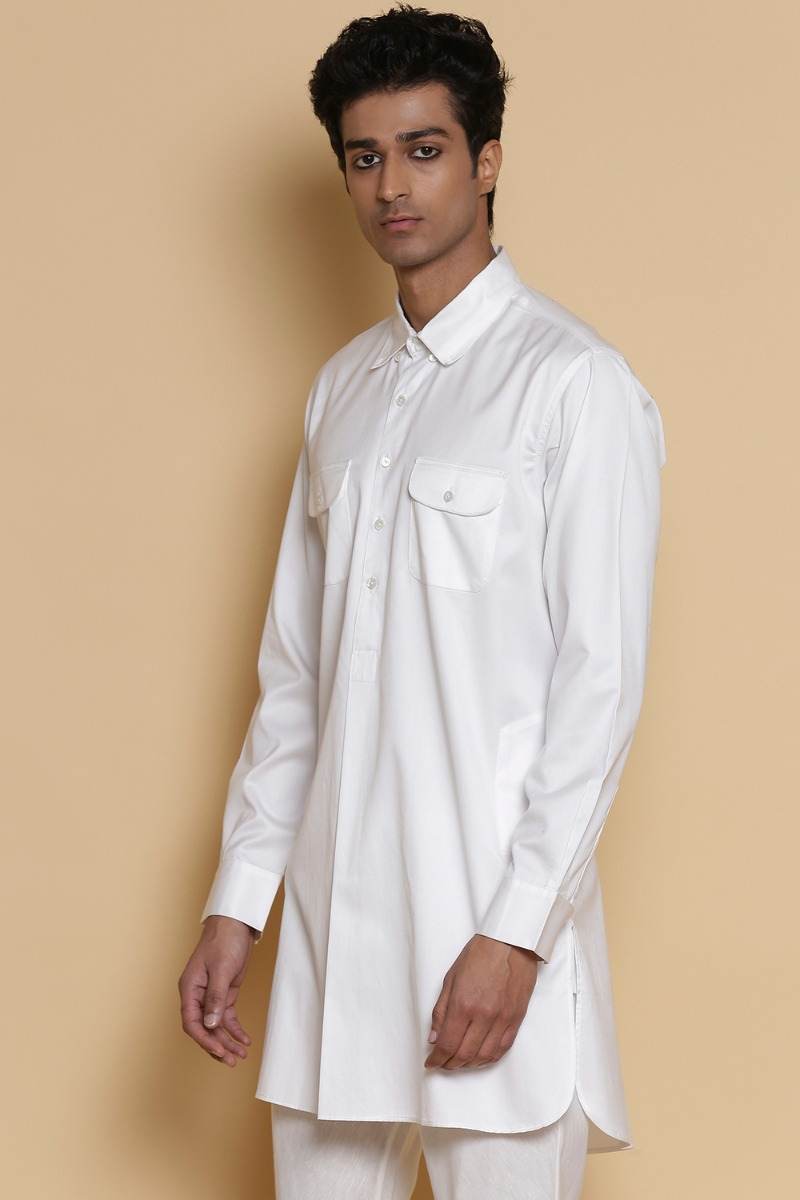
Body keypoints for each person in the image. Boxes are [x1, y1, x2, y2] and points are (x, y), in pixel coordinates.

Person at [178, 6, 667, 1197]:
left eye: (423, 149)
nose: (390, 185)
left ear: (485, 160)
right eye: (363, 156)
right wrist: (238, 903)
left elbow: (597, 688)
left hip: (486, 936)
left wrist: (516, 933)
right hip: (334, 951)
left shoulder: (574, 385)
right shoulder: (339, 393)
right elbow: (295, 681)